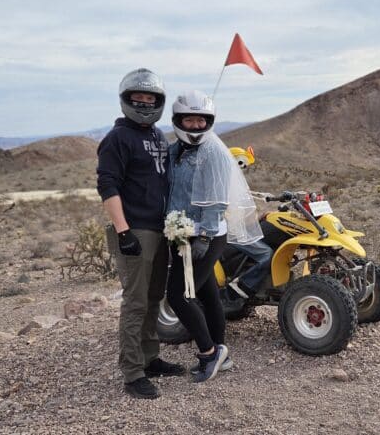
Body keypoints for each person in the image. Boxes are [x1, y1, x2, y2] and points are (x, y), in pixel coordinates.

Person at [96, 68, 184, 400]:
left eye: (151, 99)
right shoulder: (118, 138)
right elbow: (107, 184)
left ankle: (149, 357)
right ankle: (132, 373)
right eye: (139, 98)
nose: (145, 104)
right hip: (136, 231)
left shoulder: (156, 135)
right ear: (127, 100)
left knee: (152, 298)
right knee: (134, 302)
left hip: (160, 228)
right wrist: (123, 231)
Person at [165, 90, 262, 383]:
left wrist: (204, 237)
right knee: (207, 294)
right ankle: (223, 353)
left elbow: (217, 199)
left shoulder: (213, 152)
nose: (195, 126)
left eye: (201, 120)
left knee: (178, 295)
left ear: (209, 121)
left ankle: (209, 353)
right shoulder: (176, 151)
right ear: (178, 120)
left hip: (204, 235)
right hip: (182, 232)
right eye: (189, 119)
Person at [224, 147, 272, 302]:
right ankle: (242, 286)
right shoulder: (224, 184)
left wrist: (261, 216)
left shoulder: (234, 183)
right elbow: (231, 217)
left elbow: (244, 211)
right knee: (266, 254)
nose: (244, 169)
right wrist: (257, 218)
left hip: (237, 229)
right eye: (242, 165)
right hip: (230, 232)